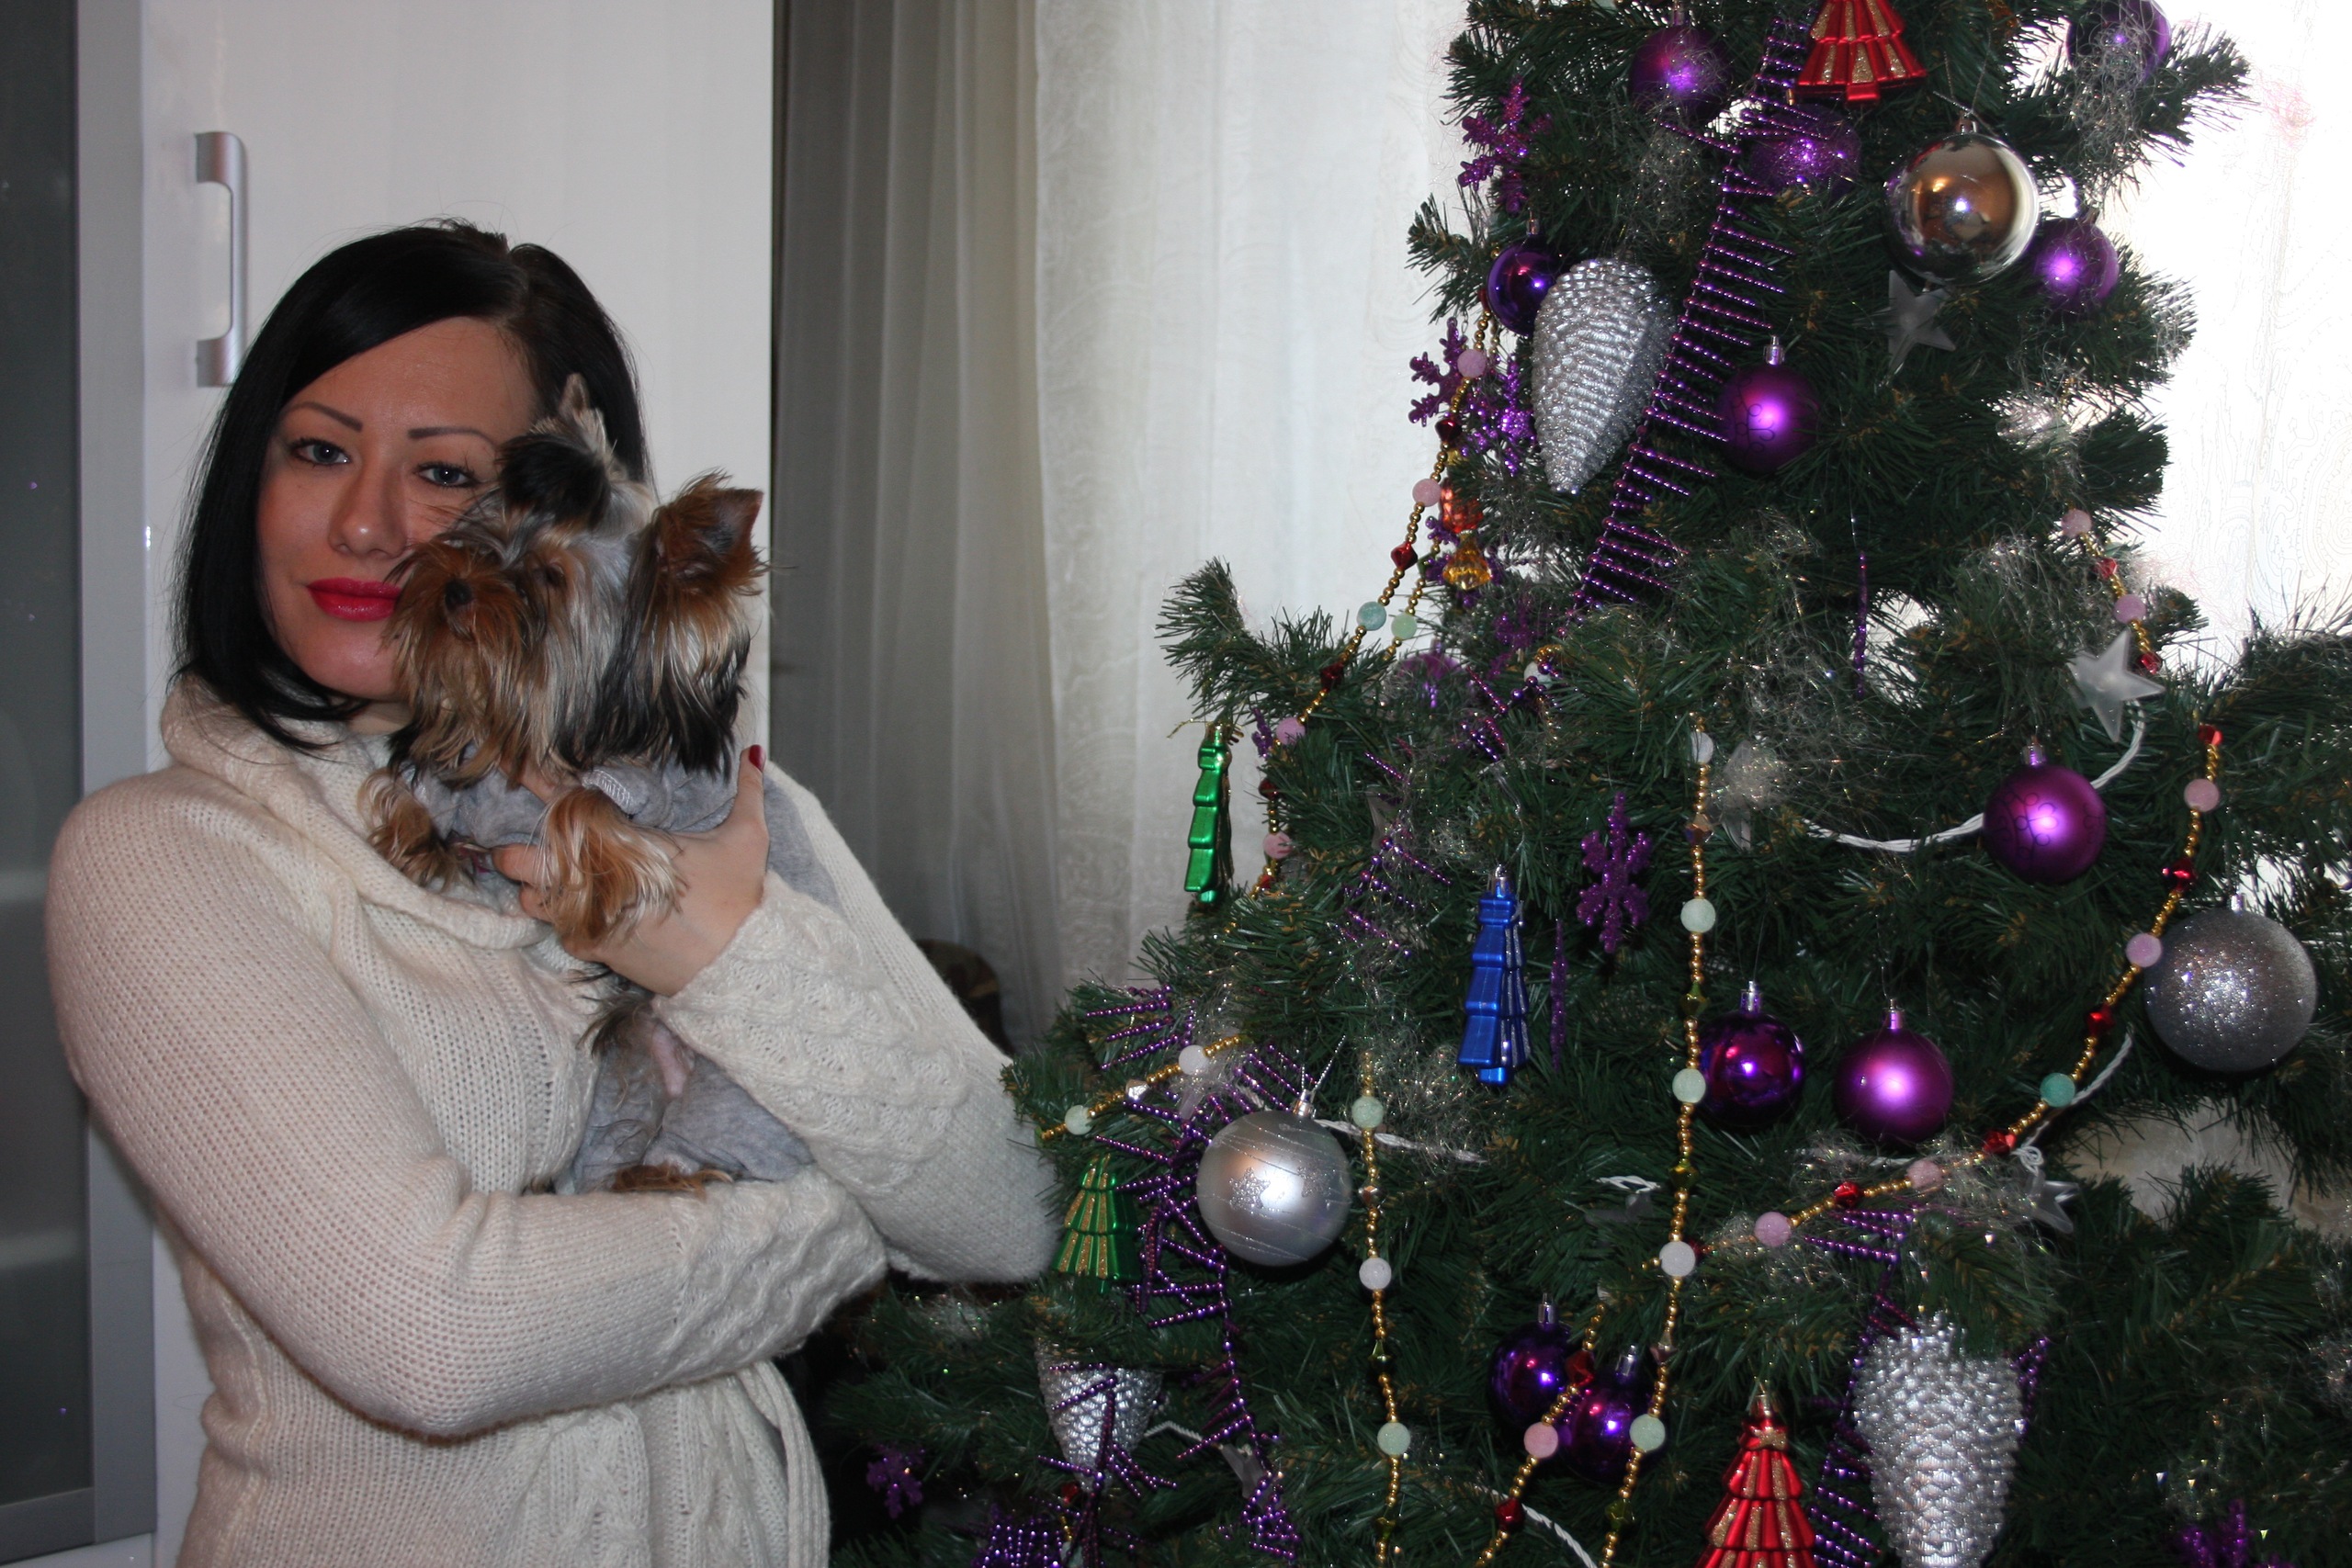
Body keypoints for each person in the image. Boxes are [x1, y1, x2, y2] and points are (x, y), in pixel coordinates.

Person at [45, 221, 1057, 1568]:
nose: (365, 523)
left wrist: (713, 941)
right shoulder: (165, 858)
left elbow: (1012, 1210)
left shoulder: (741, 818)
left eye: (445, 473)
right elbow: (437, 1339)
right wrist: (854, 1214)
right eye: (319, 450)